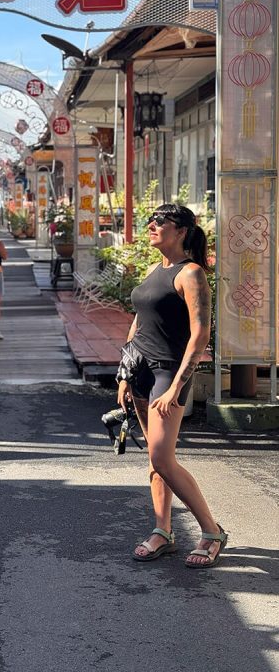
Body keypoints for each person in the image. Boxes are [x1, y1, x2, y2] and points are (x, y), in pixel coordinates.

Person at [117, 203, 228, 569]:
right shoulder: (156, 269)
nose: (152, 225)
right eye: (151, 220)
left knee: (162, 456)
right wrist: (123, 372)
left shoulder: (191, 273)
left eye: (160, 221)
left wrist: (177, 385)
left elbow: (200, 335)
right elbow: (139, 322)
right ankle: (163, 530)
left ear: (180, 231)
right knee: (155, 458)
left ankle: (211, 532)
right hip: (140, 371)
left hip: (168, 373)